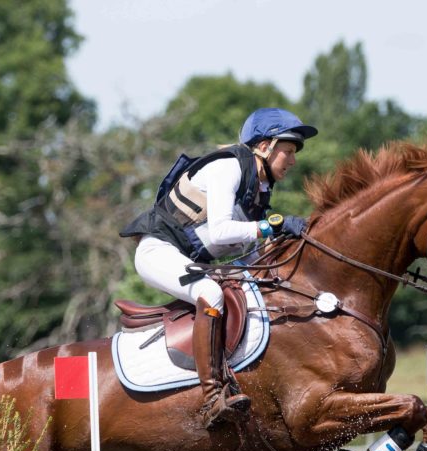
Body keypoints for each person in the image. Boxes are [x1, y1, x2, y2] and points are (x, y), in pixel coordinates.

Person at [120, 108, 317, 429]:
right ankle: (213, 396)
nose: (293, 161)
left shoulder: (258, 189)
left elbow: (249, 251)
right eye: (289, 151)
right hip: (158, 252)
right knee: (210, 293)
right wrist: (275, 225)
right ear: (265, 146)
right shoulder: (229, 168)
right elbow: (223, 231)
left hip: (187, 258)